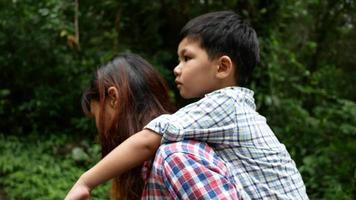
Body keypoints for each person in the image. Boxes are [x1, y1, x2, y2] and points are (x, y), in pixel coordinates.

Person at [66, 11, 309, 199]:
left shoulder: (224, 106)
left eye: (187, 58)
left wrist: (85, 181)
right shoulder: (228, 114)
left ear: (223, 67)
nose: (177, 68)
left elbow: (148, 140)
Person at [66, 53, 238, 199]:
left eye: (97, 116)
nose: (99, 129)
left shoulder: (174, 156)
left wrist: (85, 182)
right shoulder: (148, 166)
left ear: (113, 97)